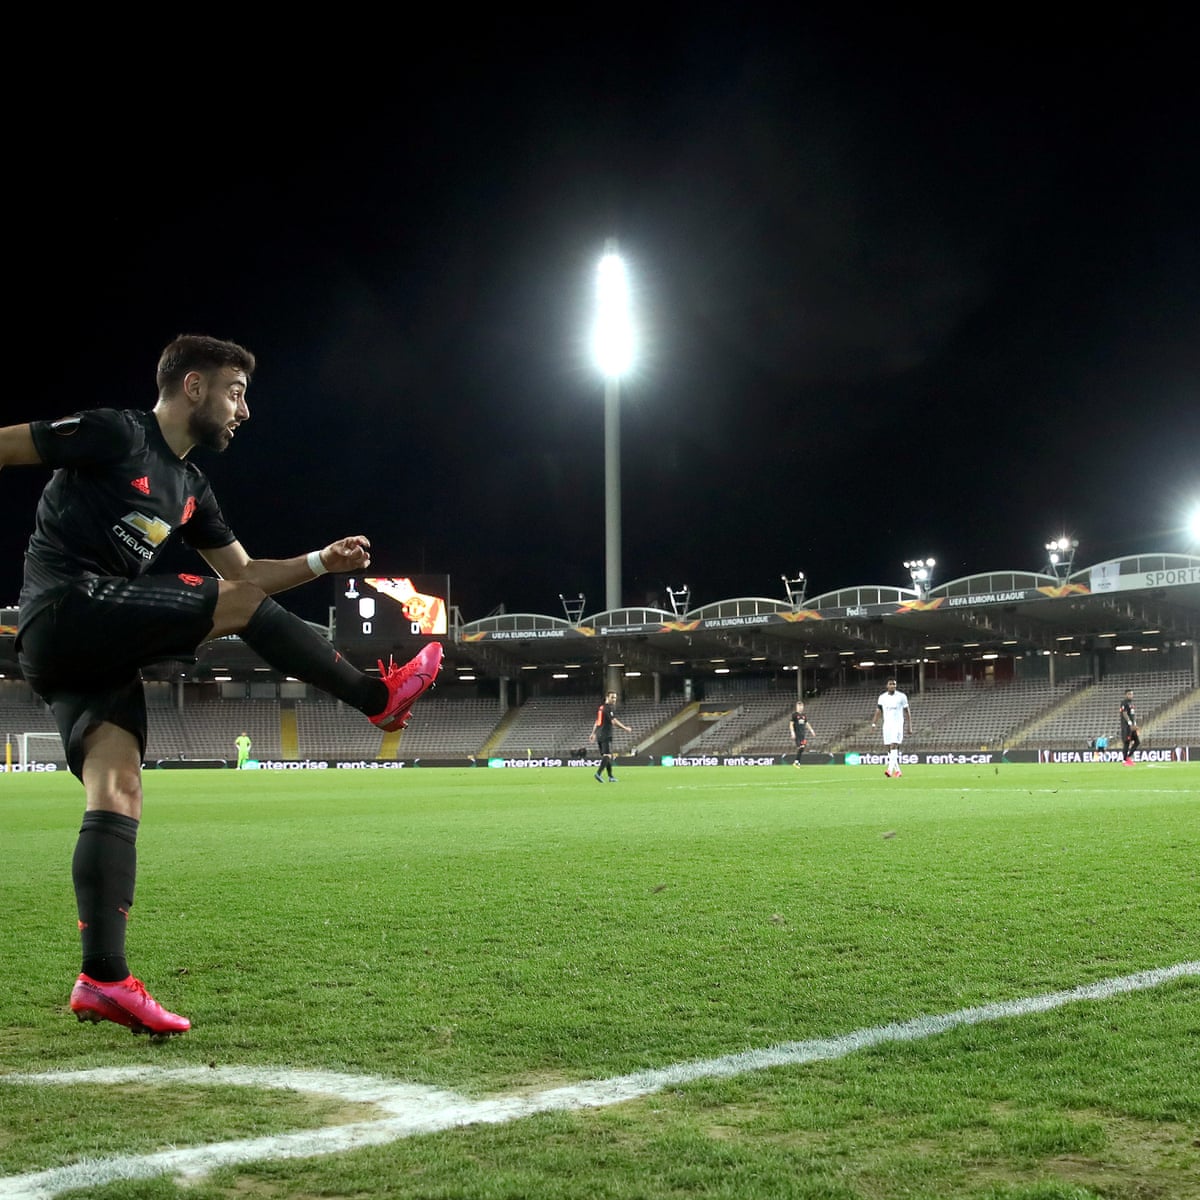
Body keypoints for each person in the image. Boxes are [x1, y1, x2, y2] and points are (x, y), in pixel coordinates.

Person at [0, 334, 444, 1038]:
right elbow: (7, 447)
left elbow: (245, 578)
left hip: (88, 647)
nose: (244, 411)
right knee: (228, 605)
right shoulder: (117, 431)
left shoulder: (192, 489)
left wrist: (319, 560)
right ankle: (375, 698)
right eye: (236, 393)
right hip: (63, 607)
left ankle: (103, 979)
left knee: (118, 788)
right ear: (195, 387)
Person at [871, 677, 912, 778]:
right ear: (887, 685)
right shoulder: (882, 697)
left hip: (897, 724)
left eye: (894, 684)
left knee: (894, 744)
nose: (893, 686)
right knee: (889, 748)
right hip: (887, 725)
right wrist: (873, 724)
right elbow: (878, 711)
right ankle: (898, 771)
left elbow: (907, 711)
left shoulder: (902, 696)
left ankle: (889, 770)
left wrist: (909, 726)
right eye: (891, 684)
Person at [588, 689, 631, 782]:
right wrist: (625, 728)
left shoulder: (601, 708)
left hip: (599, 734)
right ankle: (598, 773)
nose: (614, 699)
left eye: (615, 698)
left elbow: (597, 721)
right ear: (607, 698)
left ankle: (611, 776)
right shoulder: (608, 708)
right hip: (605, 734)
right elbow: (614, 721)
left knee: (607, 756)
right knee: (607, 755)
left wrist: (593, 733)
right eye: (612, 697)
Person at [788, 700, 815, 768]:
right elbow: (791, 724)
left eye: (801, 706)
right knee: (801, 747)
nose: (800, 707)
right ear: (797, 707)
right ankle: (796, 762)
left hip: (803, 735)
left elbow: (806, 723)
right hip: (797, 735)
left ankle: (797, 762)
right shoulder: (794, 715)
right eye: (799, 706)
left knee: (802, 748)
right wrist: (792, 732)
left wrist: (811, 730)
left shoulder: (804, 716)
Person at [1119, 688, 1140, 765]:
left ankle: (1128, 757)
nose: (1131, 695)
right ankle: (1125, 760)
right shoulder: (1124, 703)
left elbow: (1132, 714)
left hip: (1132, 726)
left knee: (1137, 742)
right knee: (1127, 742)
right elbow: (1124, 713)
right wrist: (1130, 723)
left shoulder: (1131, 703)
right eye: (1130, 694)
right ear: (1126, 695)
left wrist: (1134, 723)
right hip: (1127, 726)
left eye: (1132, 694)